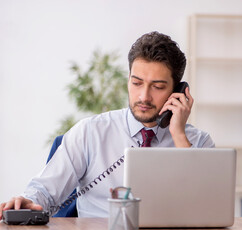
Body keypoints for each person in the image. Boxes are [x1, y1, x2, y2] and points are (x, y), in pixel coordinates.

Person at [0, 31, 215, 218]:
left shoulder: (198, 143)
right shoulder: (91, 132)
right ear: (128, 79)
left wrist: (177, 135)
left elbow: (208, 206)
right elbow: (45, 190)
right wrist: (28, 202)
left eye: (157, 86)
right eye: (137, 83)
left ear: (177, 91)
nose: (144, 96)